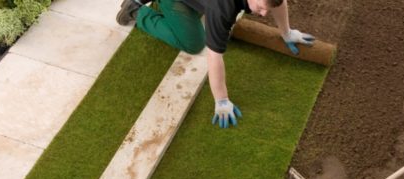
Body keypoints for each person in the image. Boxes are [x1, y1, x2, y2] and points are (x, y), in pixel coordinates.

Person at [116, 0, 315, 128]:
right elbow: (214, 56)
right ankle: (137, 10)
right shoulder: (223, 7)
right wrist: (221, 100)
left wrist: (286, 32)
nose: (263, 14)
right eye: (261, 8)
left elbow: (277, 3)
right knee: (193, 43)